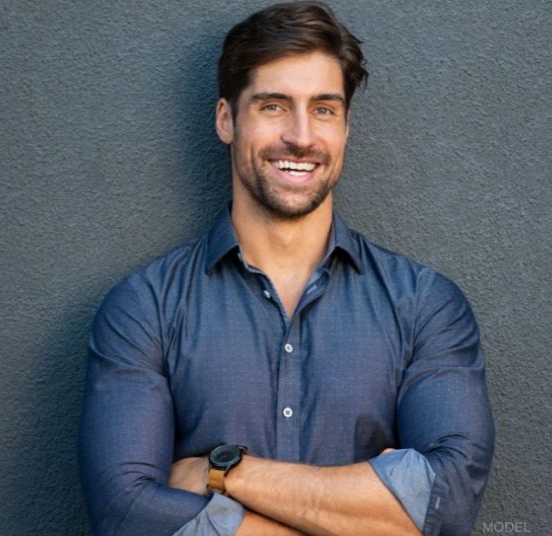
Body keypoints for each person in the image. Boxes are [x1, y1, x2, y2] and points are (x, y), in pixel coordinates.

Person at [78, 2, 495, 534]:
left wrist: (222, 473)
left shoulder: (425, 306)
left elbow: (450, 505)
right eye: (274, 106)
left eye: (324, 109)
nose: (301, 136)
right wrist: (370, 515)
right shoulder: (144, 308)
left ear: (345, 126)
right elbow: (126, 516)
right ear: (227, 119)